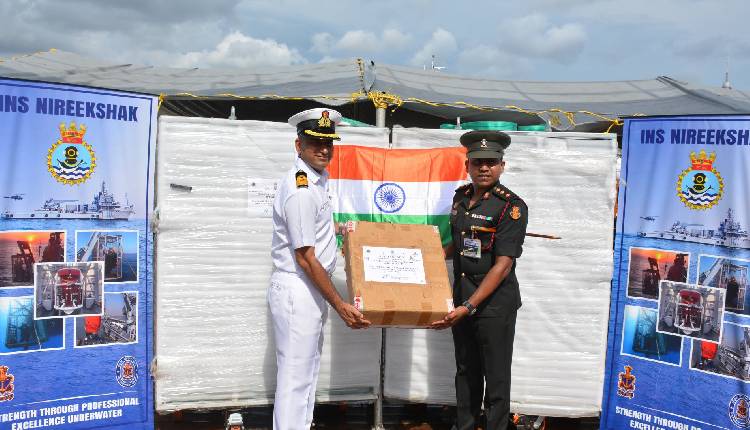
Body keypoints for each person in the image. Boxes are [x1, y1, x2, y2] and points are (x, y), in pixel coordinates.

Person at [269, 107, 370, 430]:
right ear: (298, 145)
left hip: (309, 288)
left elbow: (313, 231)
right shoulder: (300, 189)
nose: (324, 150)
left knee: (306, 371)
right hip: (300, 287)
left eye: (328, 143)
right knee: (295, 378)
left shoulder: (316, 181)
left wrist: (340, 231)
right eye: (315, 143)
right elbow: (305, 257)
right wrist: (340, 304)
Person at [431, 130, 528, 430]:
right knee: (466, 372)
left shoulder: (511, 207)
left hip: (493, 307)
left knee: (496, 377)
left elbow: (503, 265)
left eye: (491, 162)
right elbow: (458, 244)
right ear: (467, 165)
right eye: (477, 162)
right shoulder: (461, 198)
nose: (484, 168)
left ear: (502, 166)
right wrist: (425, 258)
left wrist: (469, 306)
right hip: (462, 298)